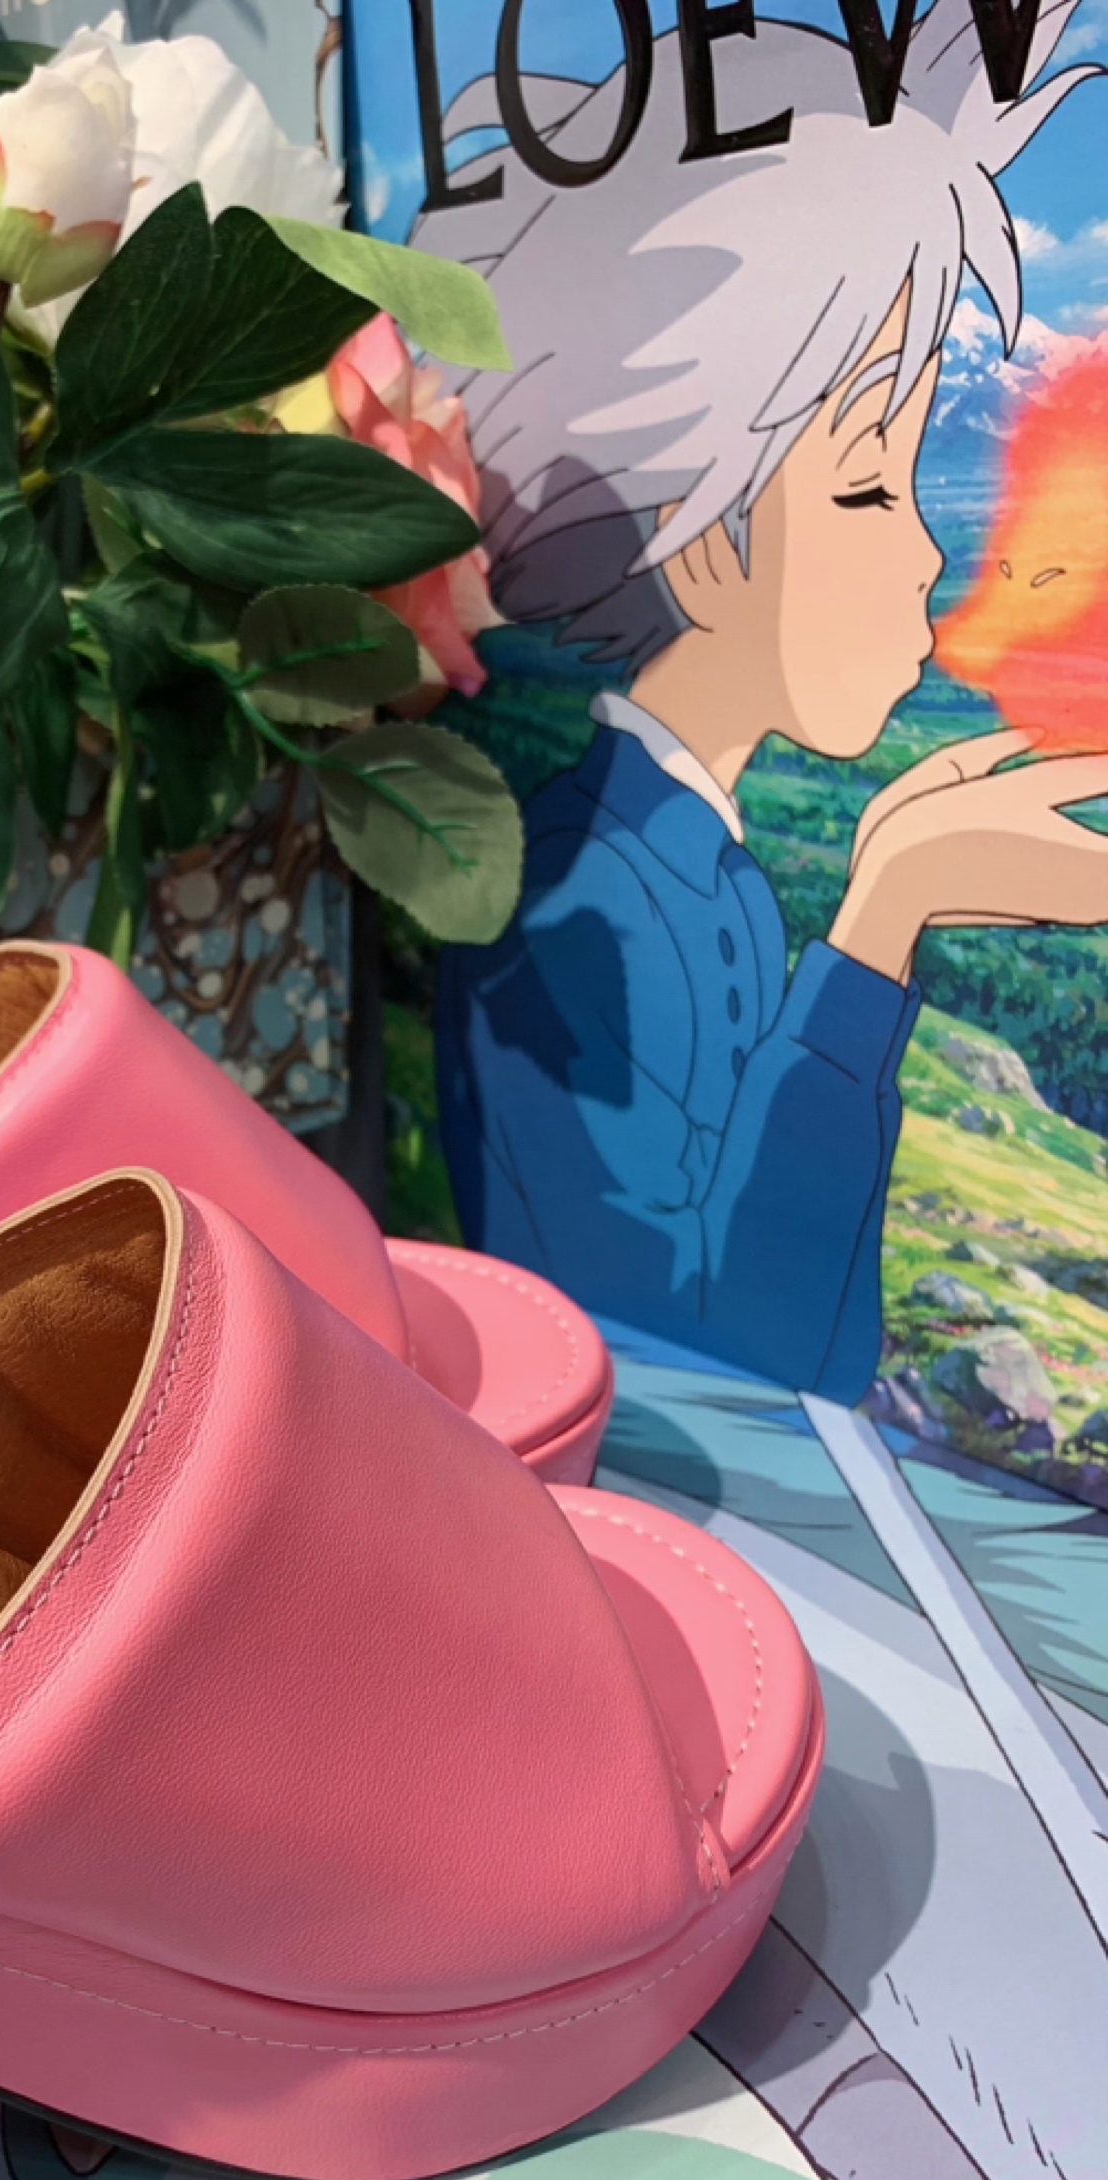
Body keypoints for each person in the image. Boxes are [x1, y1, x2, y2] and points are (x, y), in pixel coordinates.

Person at [426, 0, 1108, 1399]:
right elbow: (747, 1360)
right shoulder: (575, 913)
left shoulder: (687, 863)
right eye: (868, 486)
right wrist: (880, 921)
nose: (926, 554)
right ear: (703, 542)